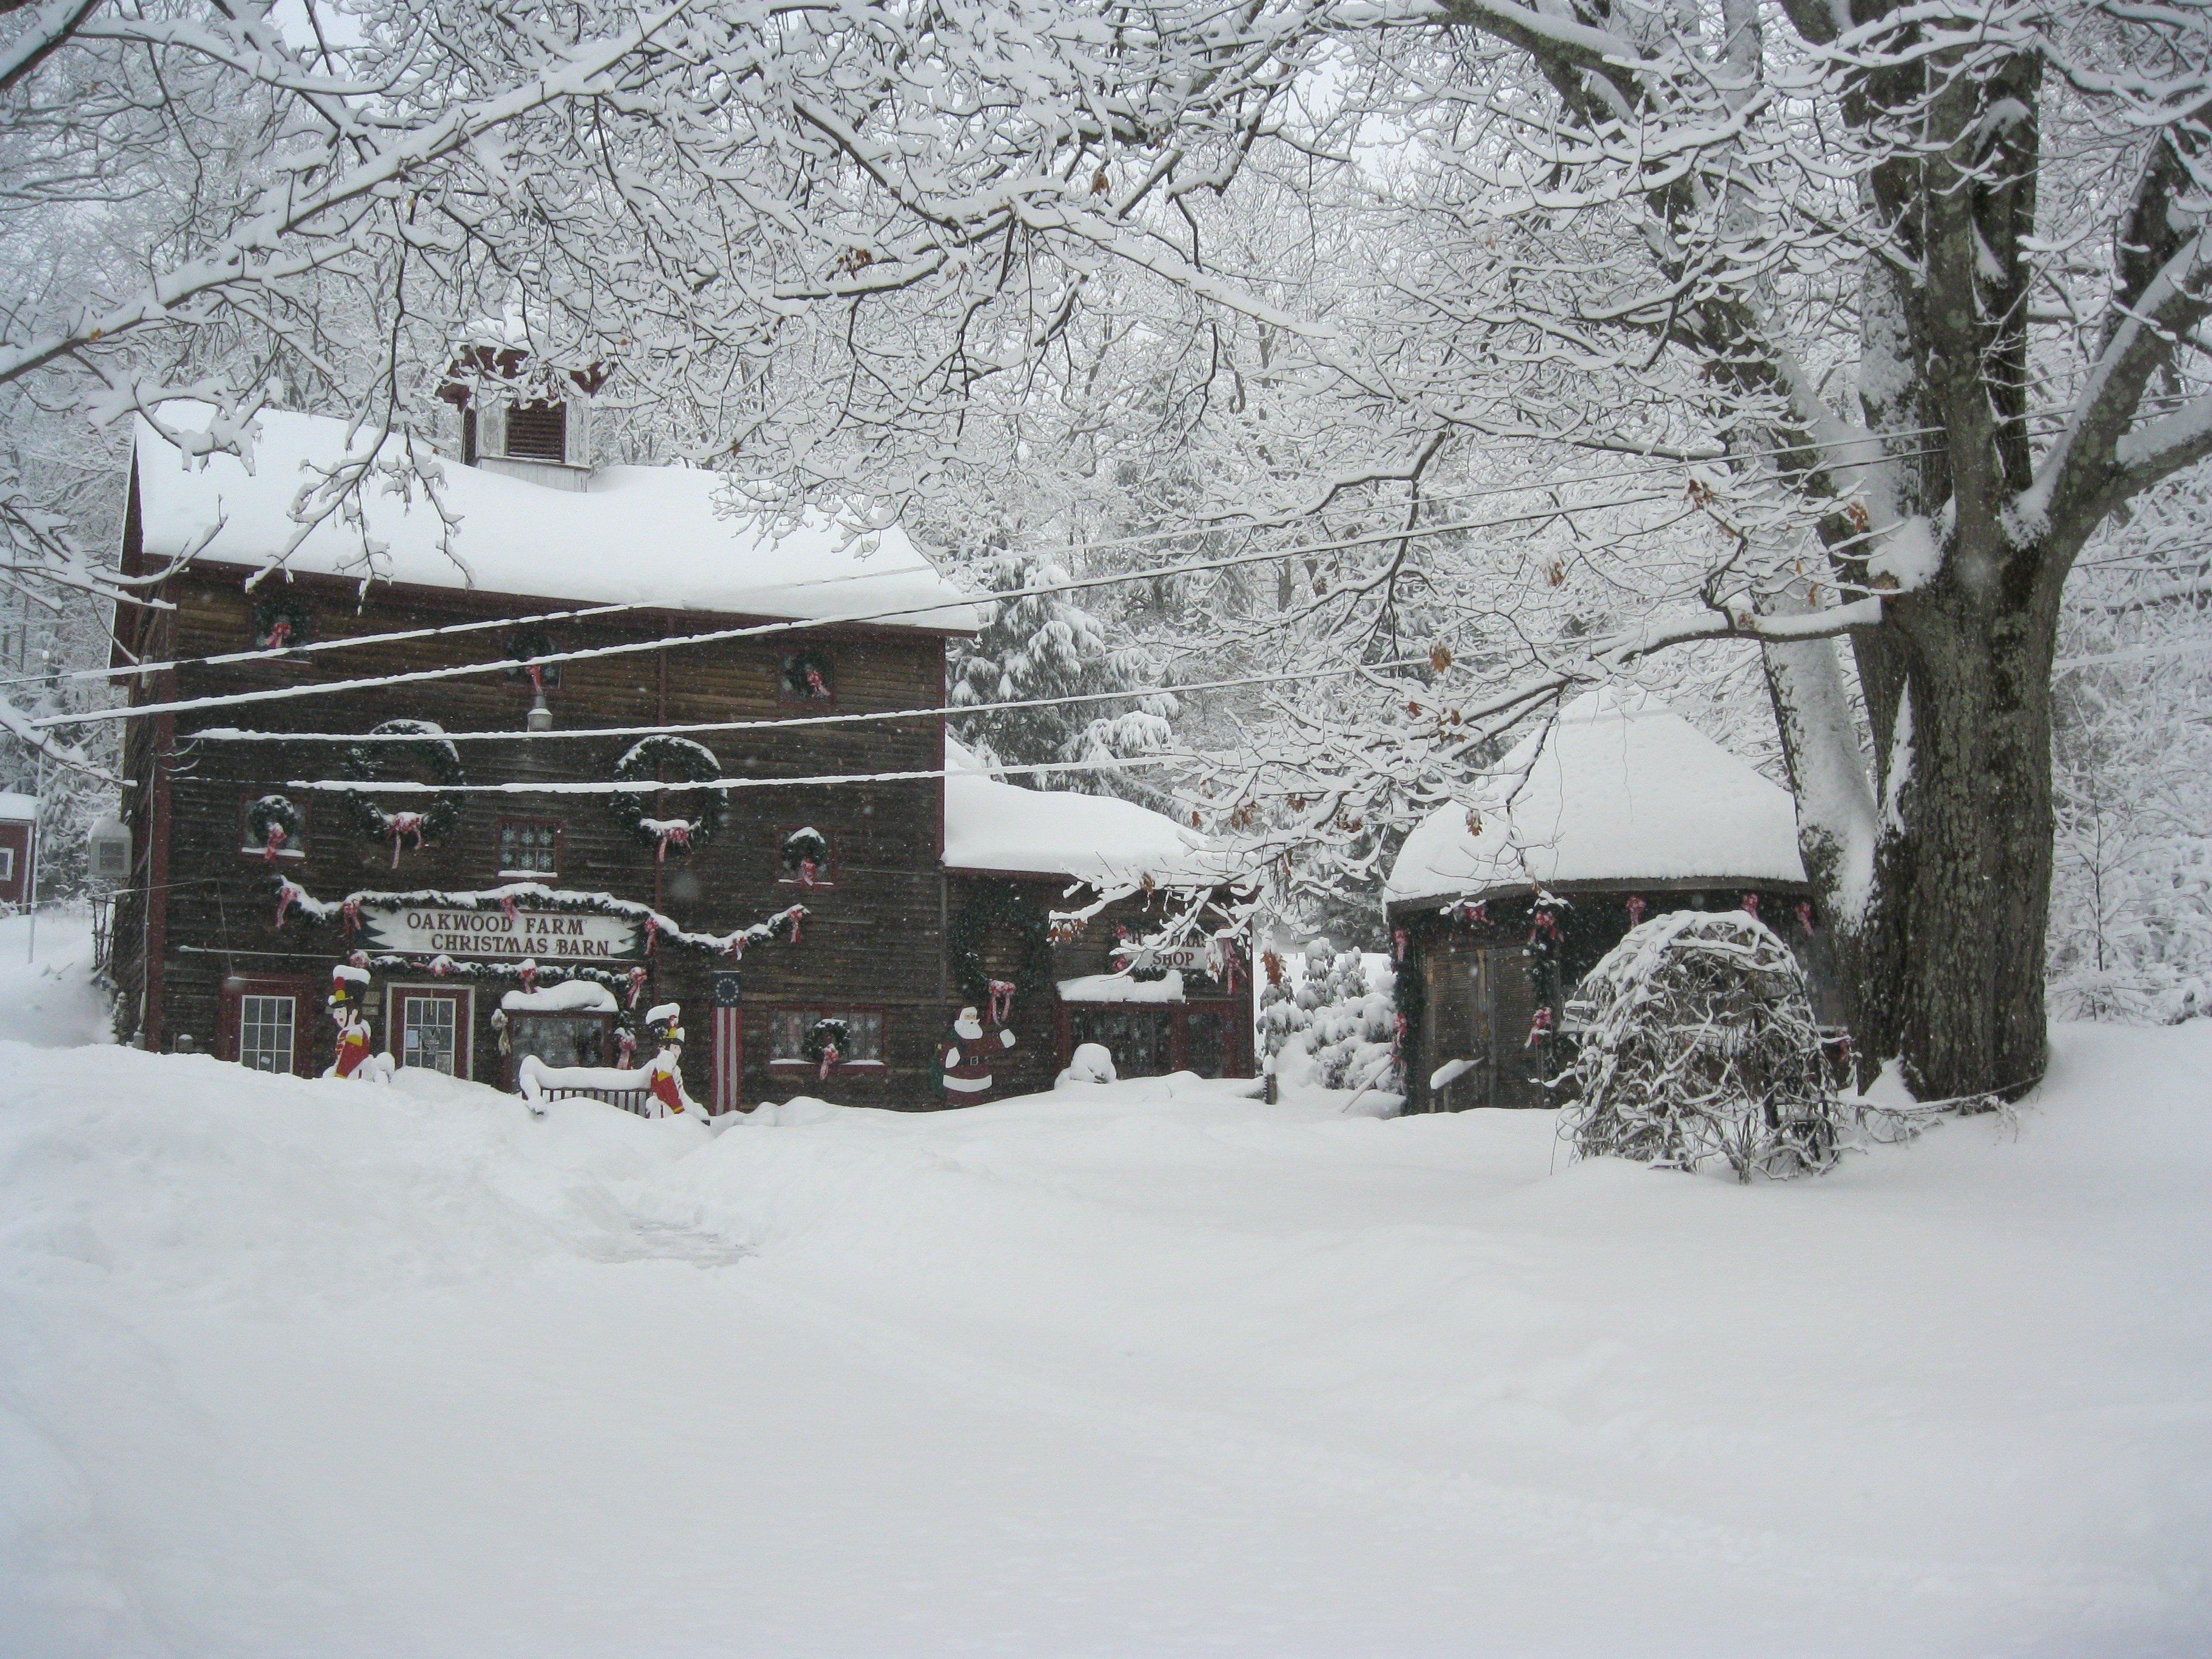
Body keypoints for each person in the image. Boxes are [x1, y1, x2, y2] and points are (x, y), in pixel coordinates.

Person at [942, 1004, 1016, 1101]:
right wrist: (951, 1054)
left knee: (976, 1103)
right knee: (956, 1101)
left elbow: (991, 1044)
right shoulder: (954, 1038)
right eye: (968, 1016)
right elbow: (945, 1056)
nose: (972, 1020)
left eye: (973, 1016)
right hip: (958, 1077)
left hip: (978, 1077)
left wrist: (1003, 1039)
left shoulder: (981, 1038)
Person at [643, 1002, 694, 1117]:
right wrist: (679, 1109)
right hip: (665, 1111)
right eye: (676, 1047)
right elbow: (668, 1086)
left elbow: (679, 1092)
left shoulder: (672, 1064)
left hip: (669, 1109)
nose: (679, 1052)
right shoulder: (665, 1057)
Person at [327, 965, 375, 1080]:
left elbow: (349, 1058)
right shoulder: (346, 1032)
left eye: (340, 1011)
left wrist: (339, 1076)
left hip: (353, 1078)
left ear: (353, 1013)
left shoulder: (356, 1032)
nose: (335, 1016)